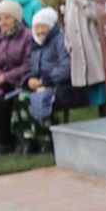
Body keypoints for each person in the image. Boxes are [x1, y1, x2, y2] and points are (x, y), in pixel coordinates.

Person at [0, 0, 36, 152]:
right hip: (1, 84)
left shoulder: (27, 36)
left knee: (1, 105)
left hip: (20, 82)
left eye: (7, 18)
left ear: (16, 18)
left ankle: (4, 143)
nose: (3, 22)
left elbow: (28, 63)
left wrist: (8, 76)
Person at [57, 0, 106, 112]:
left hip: (99, 59)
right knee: (96, 104)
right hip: (82, 61)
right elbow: (67, 22)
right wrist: (69, 46)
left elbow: (99, 16)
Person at [23, 7, 70, 138]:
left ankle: (46, 136)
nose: (40, 31)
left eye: (43, 27)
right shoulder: (34, 43)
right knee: (20, 99)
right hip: (39, 83)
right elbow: (29, 65)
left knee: (41, 98)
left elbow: (66, 66)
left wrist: (45, 80)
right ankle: (28, 136)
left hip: (58, 84)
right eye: (36, 28)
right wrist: (30, 79)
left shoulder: (60, 40)